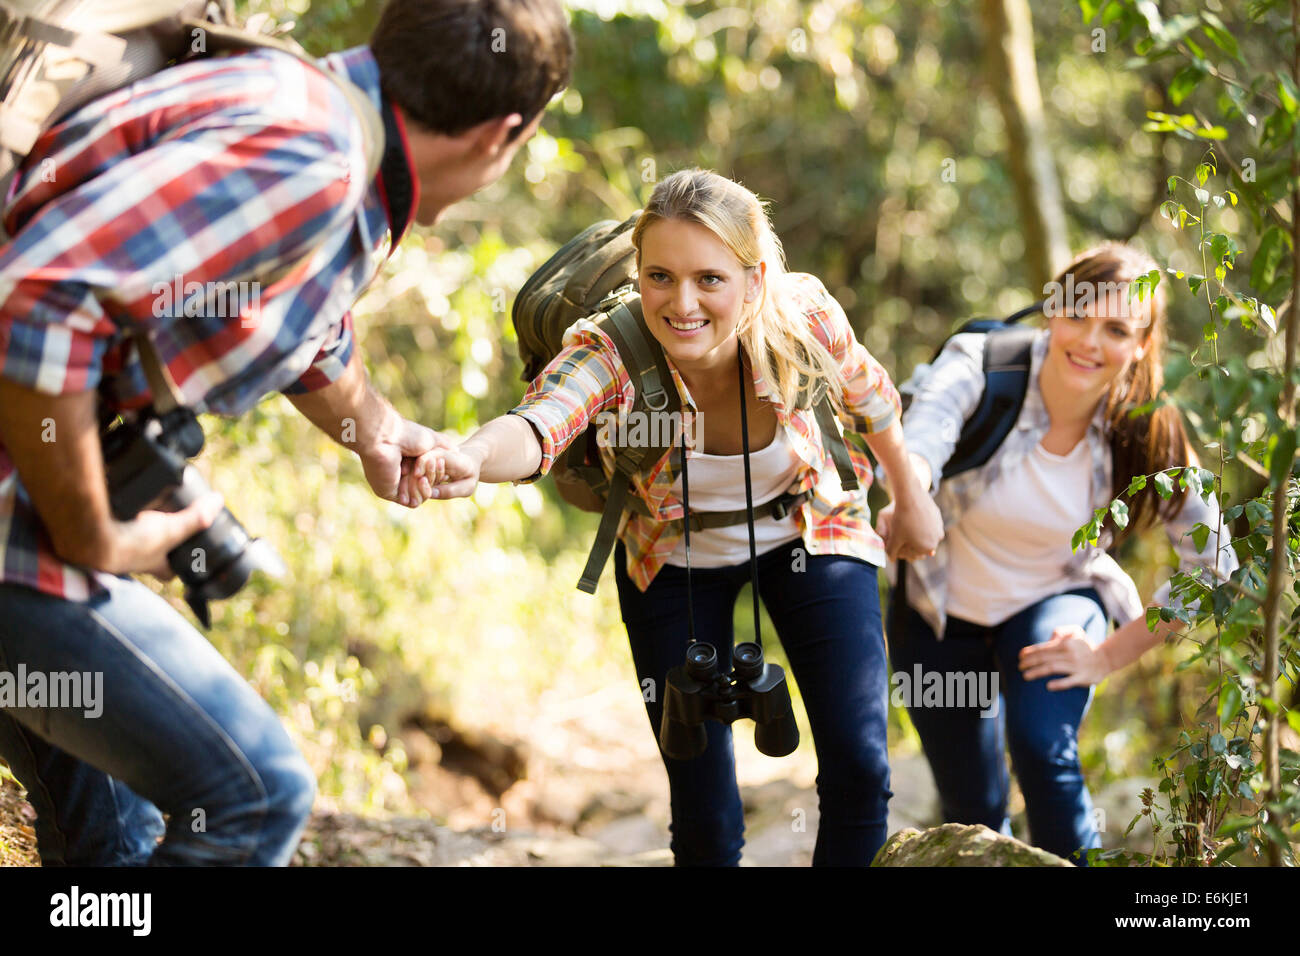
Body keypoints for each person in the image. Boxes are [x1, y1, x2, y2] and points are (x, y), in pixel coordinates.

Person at [0, 0, 572, 865]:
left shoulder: (309, 112)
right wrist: (95, 535)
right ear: (504, 133)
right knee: (254, 796)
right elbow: (41, 299)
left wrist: (375, 427)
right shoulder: (312, 156)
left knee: (116, 840)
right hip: (20, 518)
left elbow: (270, 308)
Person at [403, 168, 943, 866]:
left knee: (862, 766)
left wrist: (911, 496)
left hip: (809, 526)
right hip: (668, 553)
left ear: (753, 279)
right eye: (659, 276)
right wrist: (472, 456)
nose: (681, 303)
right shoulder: (612, 345)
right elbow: (541, 423)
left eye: (709, 280)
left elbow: (871, 401)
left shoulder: (803, 317)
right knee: (704, 809)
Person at [881, 242, 1238, 864]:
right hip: (936, 609)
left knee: (1044, 749)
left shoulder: (1150, 427)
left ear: (1142, 344)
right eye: (1079, 315)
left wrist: (1107, 656)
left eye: (1118, 328)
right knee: (972, 806)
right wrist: (911, 494)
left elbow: (1215, 563)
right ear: (1052, 309)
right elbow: (927, 429)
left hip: (1054, 599)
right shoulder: (985, 364)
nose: (1091, 342)